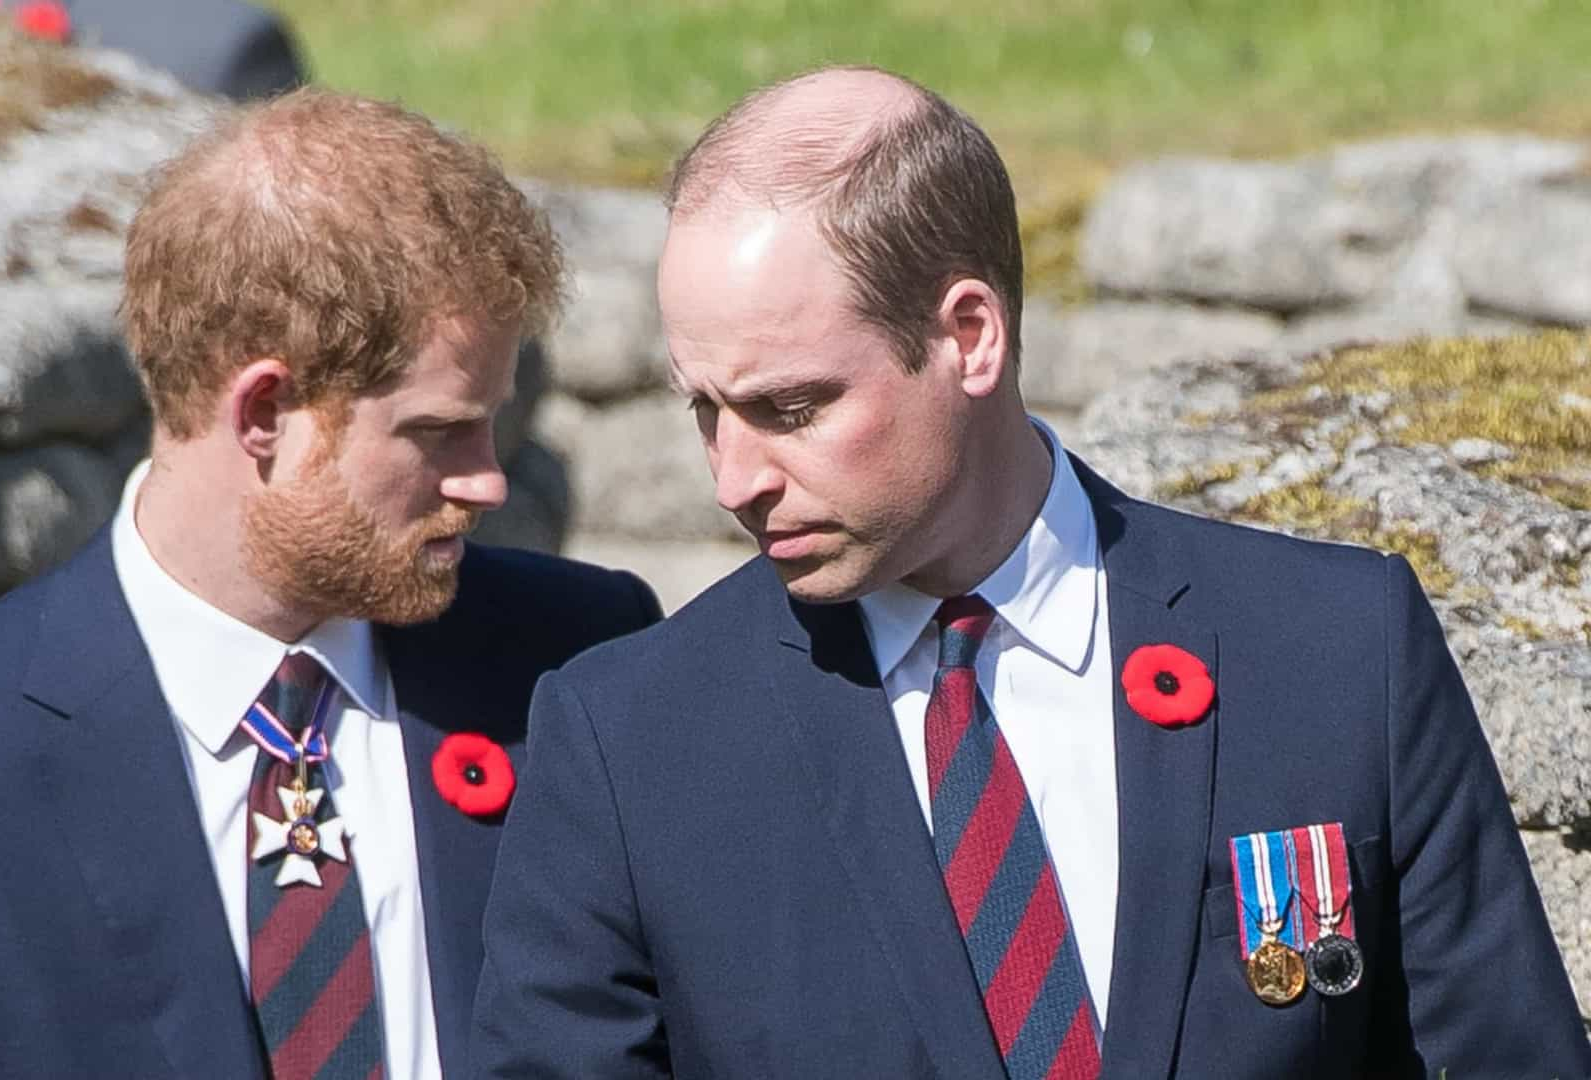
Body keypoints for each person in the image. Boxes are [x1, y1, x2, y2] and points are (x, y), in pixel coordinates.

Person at [471, 66, 1591, 1079]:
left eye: (791, 408)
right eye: (705, 412)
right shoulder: (633, 744)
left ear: (970, 336)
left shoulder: (1336, 649)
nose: (733, 477)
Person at [0, 88, 660, 1079]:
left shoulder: (576, 658)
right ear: (264, 410)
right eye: (438, 431)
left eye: (491, 422)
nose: (487, 479)